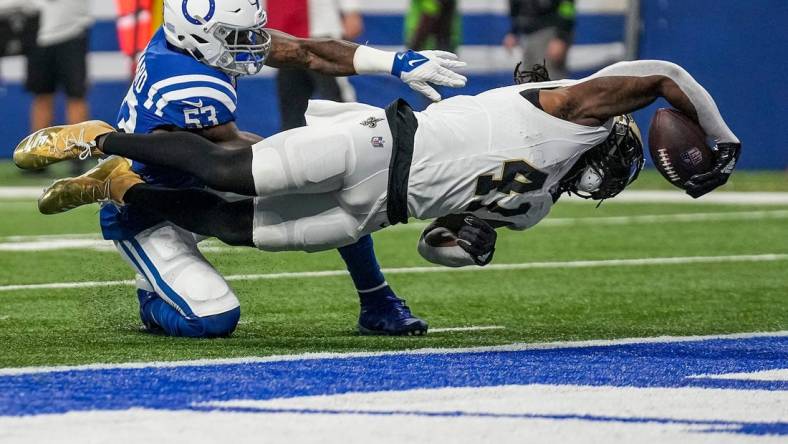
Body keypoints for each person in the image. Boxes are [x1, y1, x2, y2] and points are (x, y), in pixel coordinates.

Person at [16, 0, 466, 338]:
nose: (252, 44)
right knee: (213, 319)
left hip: (202, 173)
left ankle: (377, 302)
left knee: (330, 179)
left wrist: (393, 62)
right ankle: (131, 243)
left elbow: (306, 52)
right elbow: (225, 163)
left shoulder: (194, 42)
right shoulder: (188, 85)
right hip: (154, 203)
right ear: (199, 37)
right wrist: (317, 152)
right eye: (238, 37)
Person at [17, 60, 741, 269]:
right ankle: (102, 139)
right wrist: (719, 137)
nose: (606, 183)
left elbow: (443, 243)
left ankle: (125, 193)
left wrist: (470, 242)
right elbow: (667, 71)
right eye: (617, 168)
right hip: (380, 143)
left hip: (380, 209)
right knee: (237, 171)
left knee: (238, 230)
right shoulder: (570, 108)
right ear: (612, 140)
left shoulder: (538, 205)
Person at [267, 0, 365, 130]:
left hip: (320, 32)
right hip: (285, 35)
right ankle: (293, 147)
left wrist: (351, 10)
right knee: (292, 108)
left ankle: (354, 138)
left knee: (336, 100)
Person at [25, 0, 93, 174]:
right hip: (39, 36)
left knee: (76, 96)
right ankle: (37, 157)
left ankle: (78, 155)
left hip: (72, 34)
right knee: (42, 96)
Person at [504, 0, 575, 80]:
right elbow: (517, 6)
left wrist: (561, 36)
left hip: (549, 33)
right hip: (525, 36)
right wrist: (513, 32)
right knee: (526, 82)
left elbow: (567, 5)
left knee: (550, 81)